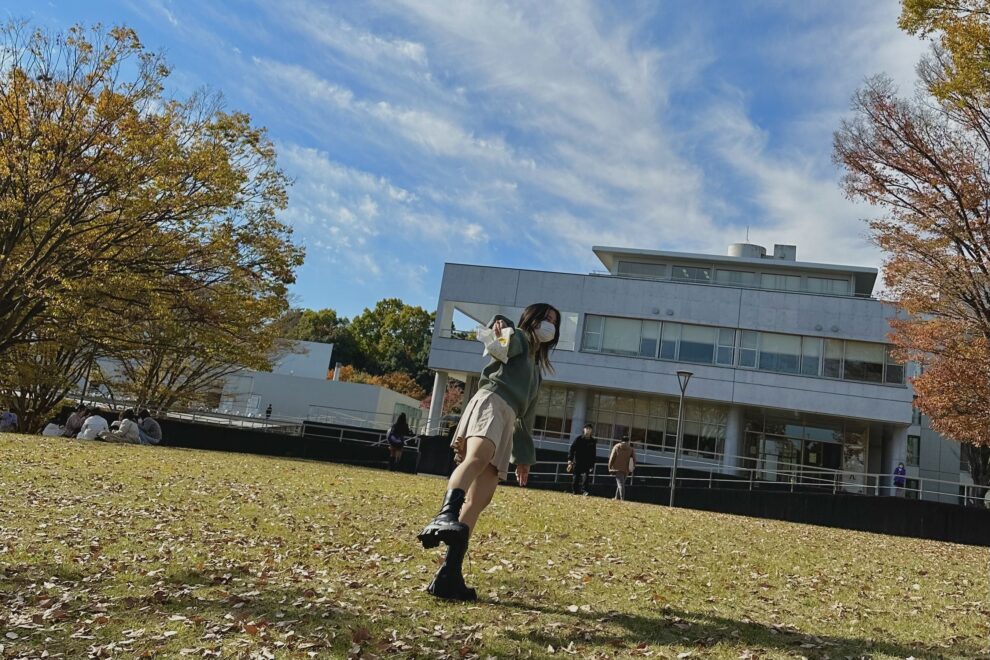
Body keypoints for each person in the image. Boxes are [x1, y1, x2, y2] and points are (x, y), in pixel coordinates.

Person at [417, 303, 560, 601]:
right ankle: (444, 515)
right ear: (532, 319)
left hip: (508, 418)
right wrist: (499, 325)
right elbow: (501, 335)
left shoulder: (537, 372)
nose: (549, 325)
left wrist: (523, 458)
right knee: (478, 457)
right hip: (491, 402)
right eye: (545, 318)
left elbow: (526, 420)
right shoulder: (519, 337)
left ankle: (449, 573)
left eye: (554, 323)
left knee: (482, 497)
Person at [568, 423, 598, 495]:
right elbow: (572, 449)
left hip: (587, 462)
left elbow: (593, 453)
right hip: (577, 461)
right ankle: (575, 491)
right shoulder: (578, 439)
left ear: (591, 431)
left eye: (590, 429)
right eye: (586, 428)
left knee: (586, 478)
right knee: (576, 477)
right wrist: (570, 459)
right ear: (583, 429)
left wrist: (592, 465)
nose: (588, 430)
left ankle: (585, 491)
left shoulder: (593, 441)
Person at [608, 435, 636, 501]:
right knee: (621, 483)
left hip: (617, 468)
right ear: (628, 441)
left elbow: (612, 458)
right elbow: (634, 460)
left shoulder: (617, 446)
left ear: (621, 440)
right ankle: (616, 497)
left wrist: (609, 467)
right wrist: (632, 468)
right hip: (626, 469)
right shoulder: (631, 449)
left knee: (620, 484)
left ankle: (622, 498)